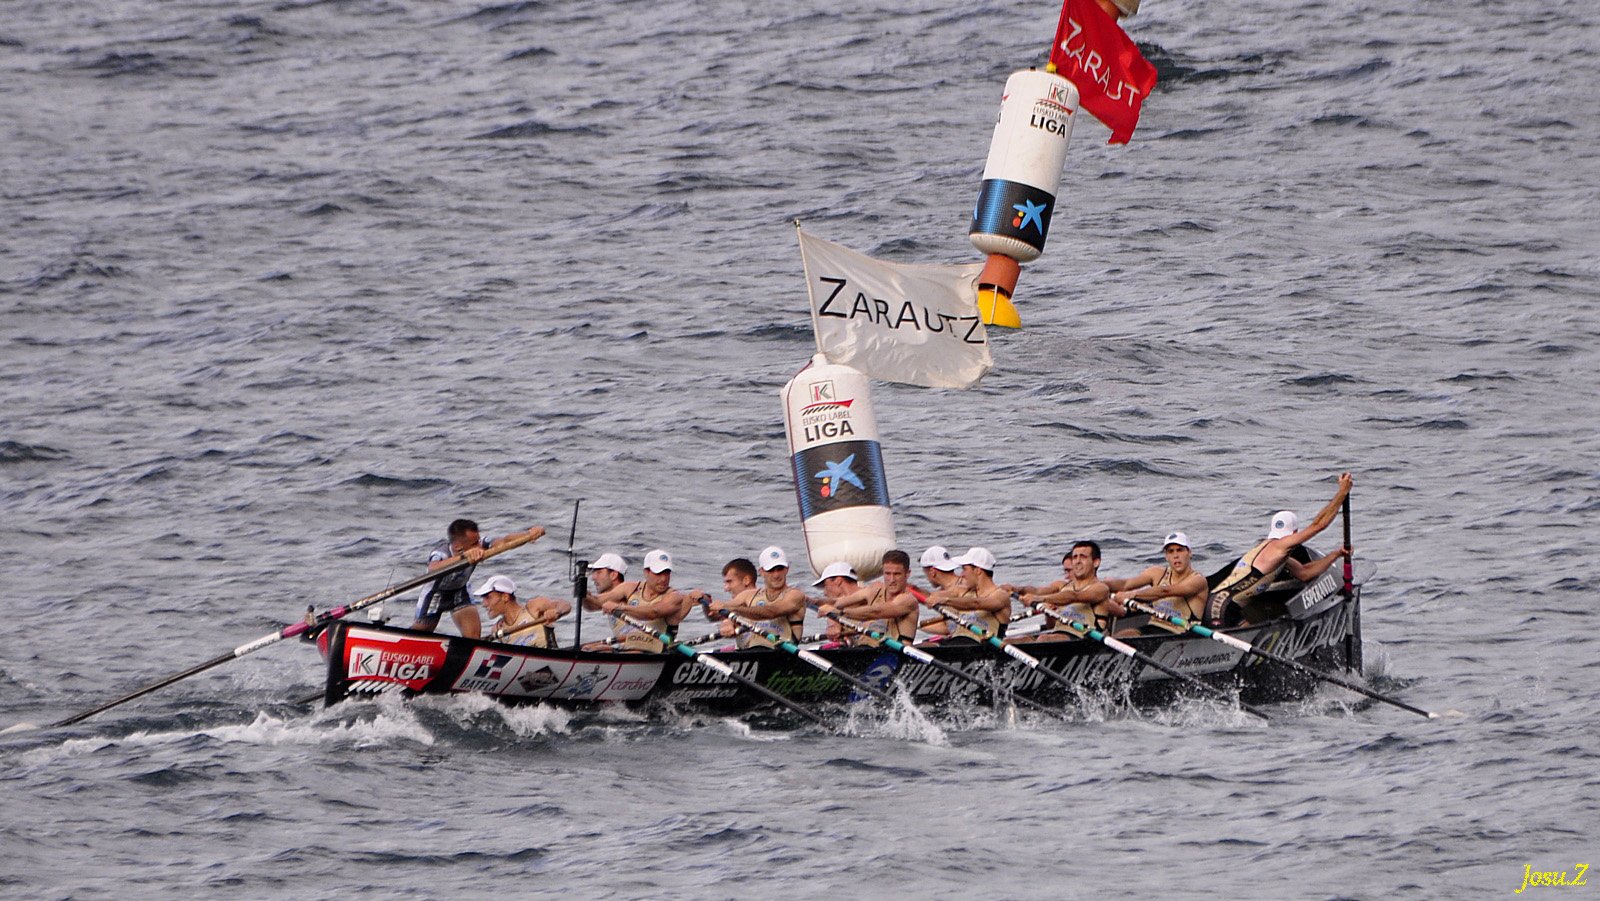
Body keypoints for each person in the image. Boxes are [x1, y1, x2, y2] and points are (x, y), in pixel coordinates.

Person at [1204, 473, 1354, 626]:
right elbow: (1318, 525)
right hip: (1222, 607)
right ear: (1294, 533)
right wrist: (1341, 493)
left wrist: (1335, 554)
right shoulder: (1280, 545)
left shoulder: (1278, 555)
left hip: (1225, 605)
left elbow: (1304, 573)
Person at [411, 519, 546, 639]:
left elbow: (504, 541)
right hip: (435, 594)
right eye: (474, 543)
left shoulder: (482, 543)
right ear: (458, 546)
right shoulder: (440, 552)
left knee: (473, 636)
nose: (479, 546)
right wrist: (464, 557)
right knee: (421, 634)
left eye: (478, 540)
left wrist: (528, 535)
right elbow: (433, 568)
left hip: (460, 592)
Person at [700, 547, 808, 649]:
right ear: (761, 572)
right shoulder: (748, 595)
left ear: (787, 569)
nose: (776, 575)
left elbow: (771, 612)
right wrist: (705, 600)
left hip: (780, 653)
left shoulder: (795, 595)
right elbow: (715, 614)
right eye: (770, 570)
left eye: (780, 569)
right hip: (747, 654)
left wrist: (732, 610)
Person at [1011, 541, 1117, 641]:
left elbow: (1074, 596)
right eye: (1075, 557)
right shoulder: (1064, 587)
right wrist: (1015, 589)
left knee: (1044, 639)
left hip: (1084, 638)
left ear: (1096, 562)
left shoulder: (1101, 588)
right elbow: (1050, 625)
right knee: (1012, 641)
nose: (1077, 561)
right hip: (1058, 636)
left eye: (1083, 557)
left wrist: (1039, 599)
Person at [583, 549, 686, 652]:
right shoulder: (629, 588)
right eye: (658, 573)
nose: (664, 579)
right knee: (588, 649)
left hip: (657, 653)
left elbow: (653, 612)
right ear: (646, 572)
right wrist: (582, 593)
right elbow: (594, 604)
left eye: (667, 573)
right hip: (629, 648)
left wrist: (619, 607)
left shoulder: (674, 596)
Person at [1106, 532, 1209, 632]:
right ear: (1166, 556)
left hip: (1182, 633)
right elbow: (1126, 584)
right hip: (1155, 626)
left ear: (1189, 553)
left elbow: (1165, 591)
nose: (1176, 555)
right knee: (1125, 634)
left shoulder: (1198, 580)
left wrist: (1132, 595)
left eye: (1180, 550)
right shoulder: (1156, 573)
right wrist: (1103, 585)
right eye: (1171, 551)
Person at [820, 550, 921, 647]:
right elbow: (838, 603)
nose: (891, 580)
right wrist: (832, 620)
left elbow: (875, 612)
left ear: (907, 574)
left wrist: (838, 613)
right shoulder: (875, 589)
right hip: (870, 651)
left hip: (897, 655)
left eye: (897, 574)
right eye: (887, 574)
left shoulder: (908, 600)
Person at [923, 548, 1011, 643]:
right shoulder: (962, 591)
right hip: (956, 643)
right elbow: (930, 596)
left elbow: (976, 603)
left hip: (983, 648)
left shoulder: (1000, 596)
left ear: (978, 570)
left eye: (964, 569)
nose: (961, 575)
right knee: (924, 646)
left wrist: (945, 600)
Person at [477, 574, 571, 648]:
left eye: (488, 598)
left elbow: (565, 605)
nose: (484, 604)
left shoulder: (533, 607)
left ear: (505, 597)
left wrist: (557, 612)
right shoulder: (497, 629)